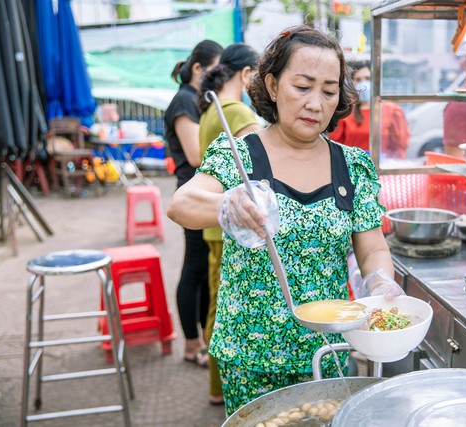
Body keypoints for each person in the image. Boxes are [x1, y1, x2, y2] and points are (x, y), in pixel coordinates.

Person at [167, 25, 404, 416]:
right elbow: (182, 204)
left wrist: (380, 281)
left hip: (326, 351)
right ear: (273, 86)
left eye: (329, 91)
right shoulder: (239, 154)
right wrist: (228, 205)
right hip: (250, 356)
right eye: (303, 86)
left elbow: (373, 245)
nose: (316, 103)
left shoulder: (353, 166)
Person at [197, 42, 261, 406]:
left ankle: (215, 385)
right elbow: (264, 163)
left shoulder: (211, 110)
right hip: (231, 222)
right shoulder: (236, 111)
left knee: (215, 302)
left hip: (213, 223)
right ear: (247, 74)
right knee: (224, 308)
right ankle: (220, 388)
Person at [164, 39, 223, 368]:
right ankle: (190, 344)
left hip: (201, 193)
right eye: (215, 70)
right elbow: (195, 154)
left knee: (201, 272)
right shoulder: (184, 101)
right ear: (199, 69)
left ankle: (199, 339)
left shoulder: (194, 100)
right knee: (193, 270)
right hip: (191, 195)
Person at [328, 60, 410, 159]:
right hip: (352, 168)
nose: (364, 83)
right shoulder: (345, 111)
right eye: (358, 80)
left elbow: (400, 146)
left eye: (368, 78)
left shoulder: (391, 110)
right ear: (351, 83)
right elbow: (335, 146)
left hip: (382, 166)